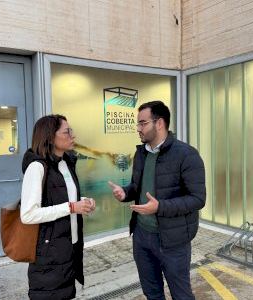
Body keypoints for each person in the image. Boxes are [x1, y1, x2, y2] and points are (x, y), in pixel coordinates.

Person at [108, 101, 206, 300]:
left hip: (173, 240)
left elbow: (197, 199)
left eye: (143, 123)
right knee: (152, 293)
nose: (138, 129)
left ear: (159, 123)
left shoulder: (187, 154)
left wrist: (160, 207)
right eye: (138, 124)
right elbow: (138, 187)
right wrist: (125, 193)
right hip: (142, 236)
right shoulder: (142, 153)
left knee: (181, 295)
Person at [21, 114, 96, 299]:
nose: (73, 136)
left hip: (68, 251)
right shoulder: (37, 167)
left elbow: (65, 197)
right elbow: (28, 214)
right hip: (49, 257)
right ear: (50, 136)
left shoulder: (66, 163)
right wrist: (71, 207)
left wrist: (83, 202)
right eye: (67, 131)